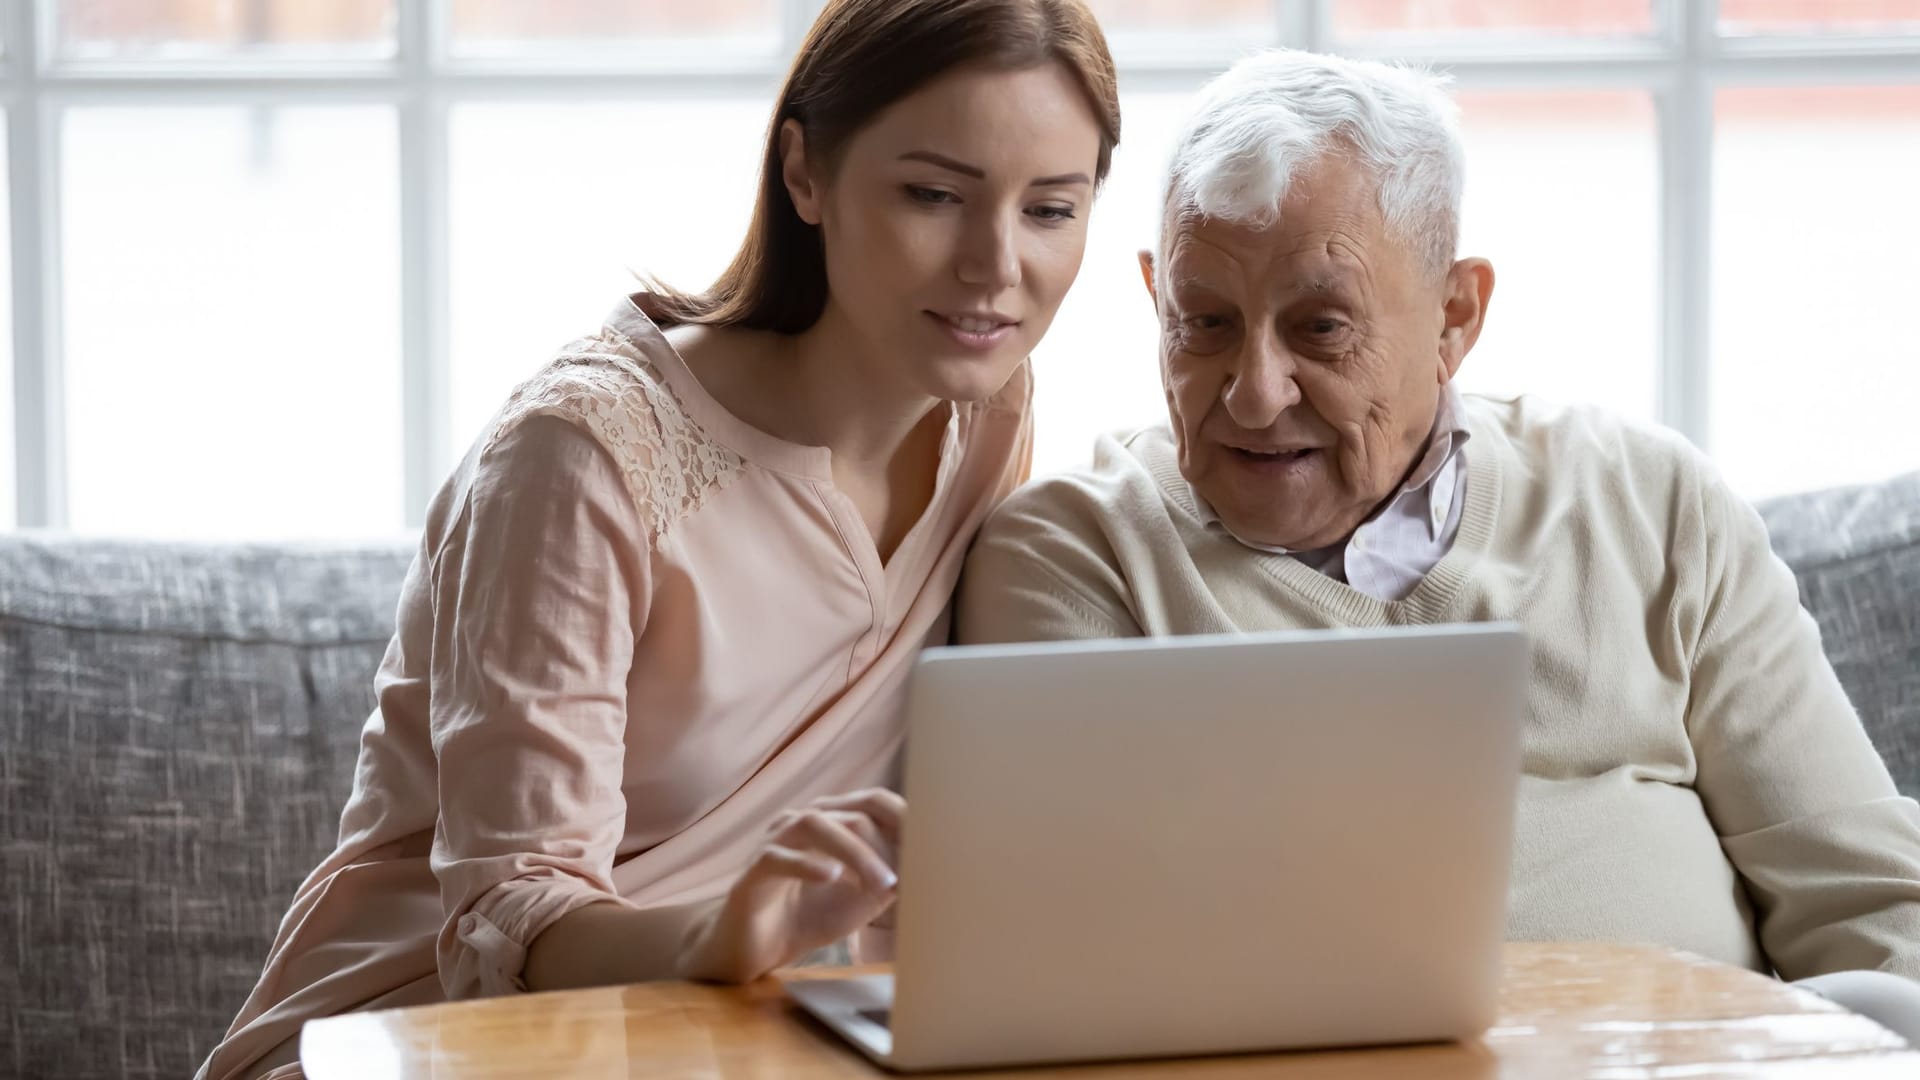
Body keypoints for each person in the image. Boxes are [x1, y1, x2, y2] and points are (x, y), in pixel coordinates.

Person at [198, 2, 1119, 1077]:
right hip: (431, 1037)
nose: (994, 266)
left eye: (1051, 209)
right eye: (933, 195)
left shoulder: (988, 414)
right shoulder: (581, 458)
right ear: (804, 174)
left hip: (734, 1040)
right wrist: (725, 932)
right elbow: (508, 917)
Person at [955, 48, 1920, 1041]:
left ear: (1455, 316)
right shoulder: (1075, 558)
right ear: (1156, 297)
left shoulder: (1651, 501)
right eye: (1204, 322)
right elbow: (1074, 970)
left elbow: (1873, 910)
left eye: (1320, 327)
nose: (1253, 391)